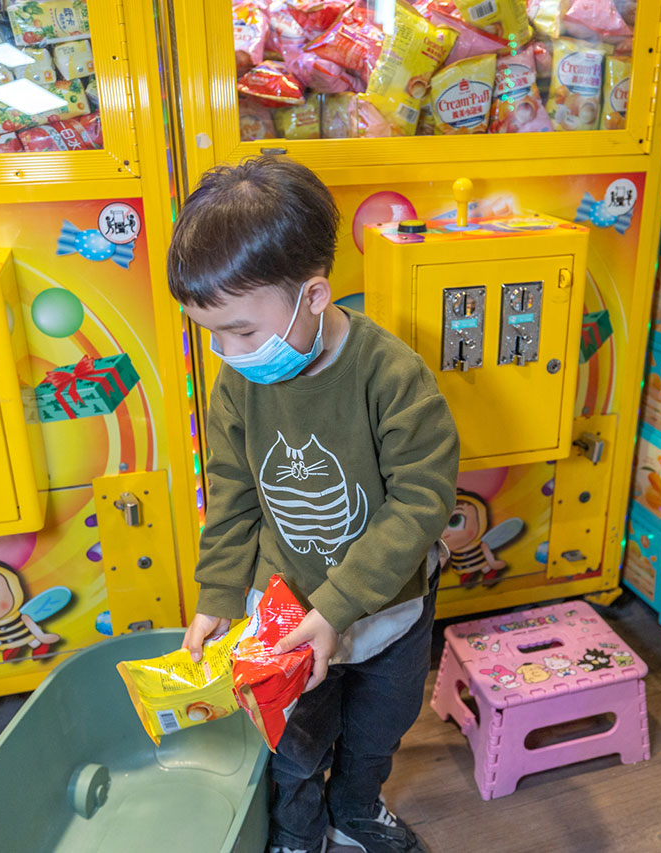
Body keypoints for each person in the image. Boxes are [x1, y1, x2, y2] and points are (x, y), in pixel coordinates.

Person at [169, 156, 459, 853]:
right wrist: (215, 592)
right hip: (286, 611)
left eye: (241, 330)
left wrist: (340, 607)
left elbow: (420, 501)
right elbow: (233, 491)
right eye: (211, 332)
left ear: (315, 295)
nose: (228, 351)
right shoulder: (239, 383)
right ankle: (296, 836)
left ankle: (356, 808)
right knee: (293, 747)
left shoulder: (390, 376)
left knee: (378, 729)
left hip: (387, 610)